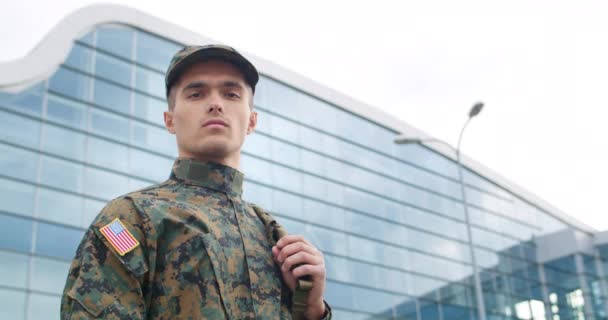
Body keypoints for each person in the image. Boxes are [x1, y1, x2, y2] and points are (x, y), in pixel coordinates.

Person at [61, 44, 331, 319]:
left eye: (231, 94)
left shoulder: (271, 235)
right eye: (196, 93)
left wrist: (312, 309)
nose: (216, 103)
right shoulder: (130, 219)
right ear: (170, 120)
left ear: (251, 121)